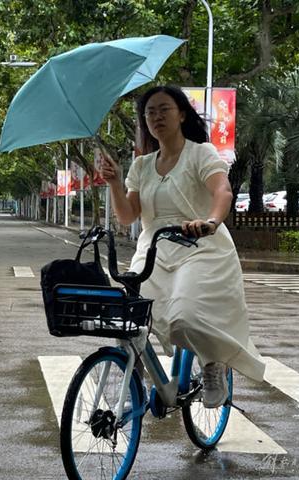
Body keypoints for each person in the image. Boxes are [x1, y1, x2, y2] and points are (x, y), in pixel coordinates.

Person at [100, 85, 265, 408]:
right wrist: (115, 183)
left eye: (164, 109)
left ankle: (212, 362)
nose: (156, 117)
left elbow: (223, 192)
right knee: (127, 319)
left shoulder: (201, 153)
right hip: (154, 251)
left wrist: (211, 222)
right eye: (149, 112)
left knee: (184, 317)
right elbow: (128, 215)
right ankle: (141, 381)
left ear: (182, 115)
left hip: (199, 246)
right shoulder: (142, 165)